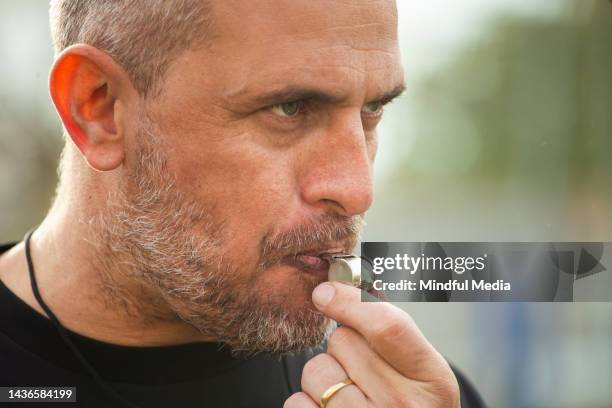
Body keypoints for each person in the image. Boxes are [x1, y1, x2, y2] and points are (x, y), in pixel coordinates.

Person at [0, 1, 485, 407]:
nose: (358, 190)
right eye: (289, 108)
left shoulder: (410, 393)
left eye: (372, 110)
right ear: (99, 107)